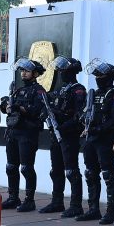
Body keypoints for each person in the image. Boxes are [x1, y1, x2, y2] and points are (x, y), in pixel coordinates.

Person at [78, 60, 114, 224]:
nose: (98, 78)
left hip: (106, 139)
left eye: (101, 75)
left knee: (108, 174)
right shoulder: (94, 94)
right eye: (96, 75)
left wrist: (105, 132)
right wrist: (85, 123)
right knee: (90, 173)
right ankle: (93, 209)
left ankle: (111, 212)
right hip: (91, 139)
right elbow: (84, 113)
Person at [41, 57, 87, 216]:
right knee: (56, 170)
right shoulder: (61, 89)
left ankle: (76, 205)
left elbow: (79, 116)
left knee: (71, 171)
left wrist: (63, 126)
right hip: (56, 135)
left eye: (63, 71)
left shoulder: (78, 90)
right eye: (59, 71)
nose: (60, 73)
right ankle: (57, 201)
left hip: (69, 136)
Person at [1, 58, 48, 212]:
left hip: (28, 133)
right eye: (22, 70)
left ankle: (29, 200)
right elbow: (9, 109)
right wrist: (6, 106)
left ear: (35, 73)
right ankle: (13, 197)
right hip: (13, 132)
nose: (23, 73)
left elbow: (36, 111)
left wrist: (20, 108)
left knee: (26, 167)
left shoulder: (39, 91)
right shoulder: (18, 90)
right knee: (11, 166)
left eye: (27, 71)